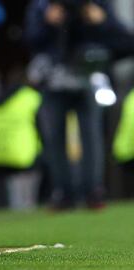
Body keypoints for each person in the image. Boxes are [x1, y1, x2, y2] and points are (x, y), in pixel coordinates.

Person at [25, 0, 134, 210]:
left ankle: (93, 190)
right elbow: (29, 40)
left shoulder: (97, 4)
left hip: (88, 80)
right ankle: (62, 192)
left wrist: (101, 21)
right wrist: (48, 22)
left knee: (91, 136)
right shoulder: (42, 6)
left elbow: (125, 41)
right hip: (53, 81)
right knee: (54, 138)